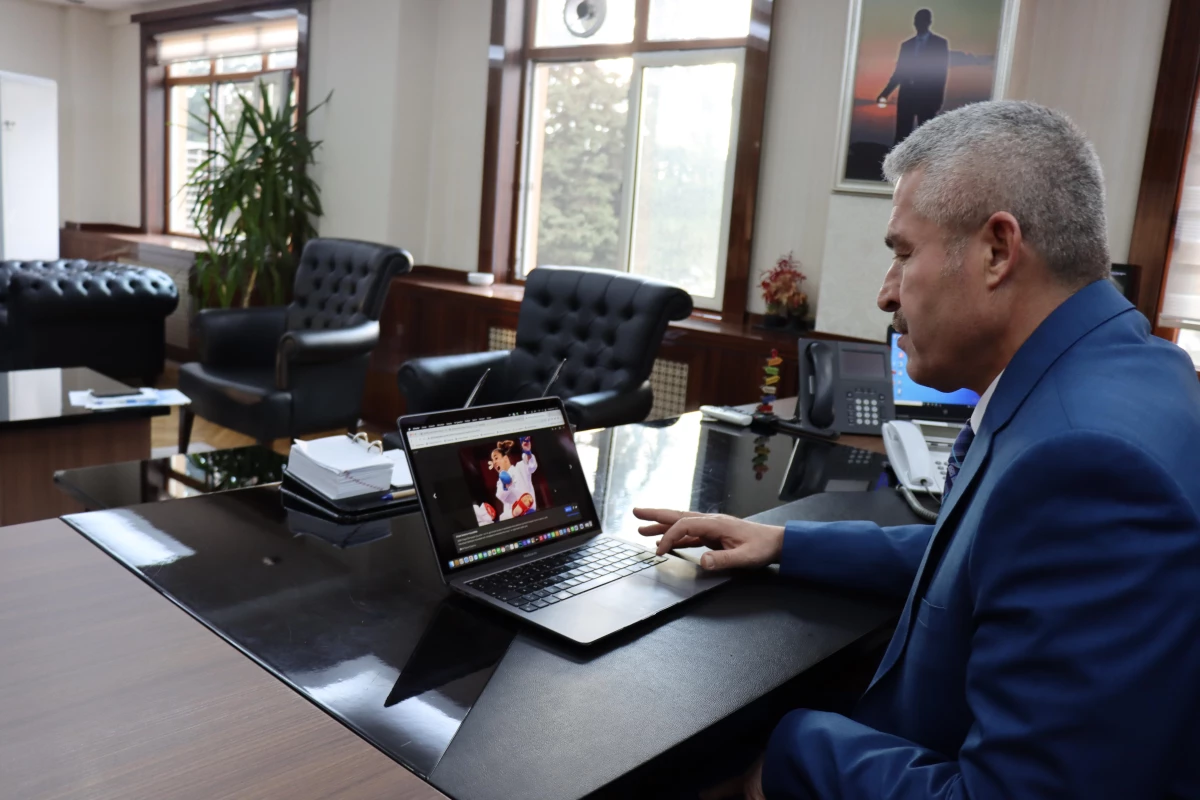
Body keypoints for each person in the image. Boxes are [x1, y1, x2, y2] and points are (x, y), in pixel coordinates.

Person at [636, 101, 1200, 798]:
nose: (885, 293)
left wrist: (789, 753)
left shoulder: (1082, 464)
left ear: (997, 250)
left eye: (902, 252)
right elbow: (982, 556)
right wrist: (782, 543)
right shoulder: (1144, 368)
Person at [878, 9, 950, 145]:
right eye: (916, 20)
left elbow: (941, 74)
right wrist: (885, 93)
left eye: (921, 20)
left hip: (927, 98)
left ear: (928, 22)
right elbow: (899, 72)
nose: (918, 24)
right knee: (901, 135)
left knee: (926, 137)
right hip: (907, 95)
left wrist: (938, 99)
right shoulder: (907, 45)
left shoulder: (939, 43)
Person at [490, 437, 538, 520]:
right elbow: (500, 496)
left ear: (505, 459)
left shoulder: (520, 467)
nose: (494, 462)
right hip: (513, 519)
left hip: (530, 515)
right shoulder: (500, 482)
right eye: (493, 460)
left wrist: (528, 452)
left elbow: (532, 466)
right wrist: (506, 485)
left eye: (496, 458)